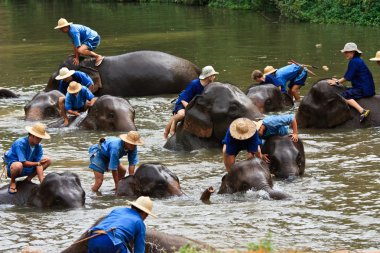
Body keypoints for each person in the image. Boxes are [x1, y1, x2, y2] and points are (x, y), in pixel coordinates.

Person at [164, 65, 219, 139]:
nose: (214, 77)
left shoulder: (209, 86)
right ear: (208, 76)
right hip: (183, 103)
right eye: (213, 75)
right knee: (182, 115)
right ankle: (167, 132)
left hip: (194, 105)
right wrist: (191, 110)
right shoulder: (194, 84)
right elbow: (184, 100)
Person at [87, 196, 157, 253]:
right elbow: (139, 249)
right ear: (145, 213)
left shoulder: (118, 210)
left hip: (93, 237)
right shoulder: (139, 222)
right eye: (146, 216)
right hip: (111, 242)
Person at [327, 42, 374, 123]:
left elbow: (347, 77)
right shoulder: (357, 60)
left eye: (347, 52)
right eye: (345, 52)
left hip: (363, 89)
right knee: (346, 90)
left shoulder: (354, 62)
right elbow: (349, 76)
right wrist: (338, 80)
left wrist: (337, 82)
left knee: (344, 96)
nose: (345, 54)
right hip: (366, 87)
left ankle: (362, 111)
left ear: (353, 52)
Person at [3, 123, 51, 194]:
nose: (39, 140)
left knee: (48, 160)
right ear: (31, 135)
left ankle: (28, 179)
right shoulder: (20, 143)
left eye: (40, 138)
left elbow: (39, 164)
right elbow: (23, 163)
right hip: (14, 169)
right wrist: (38, 163)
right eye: (38, 138)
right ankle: (13, 182)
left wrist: (41, 180)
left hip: (28, 168)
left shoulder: (38, 146)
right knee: (18, 165)